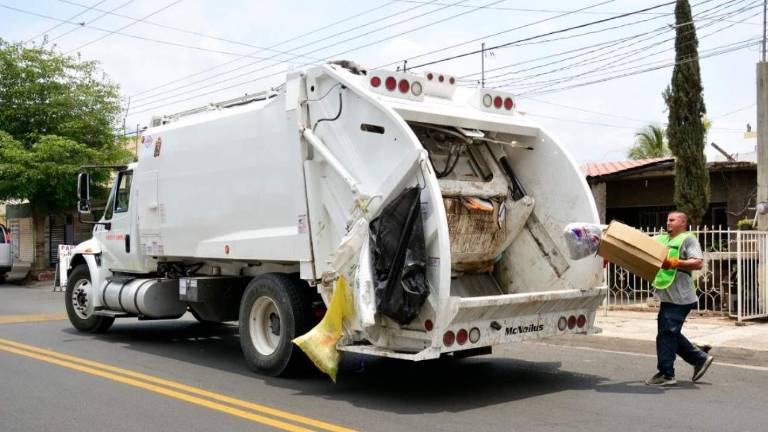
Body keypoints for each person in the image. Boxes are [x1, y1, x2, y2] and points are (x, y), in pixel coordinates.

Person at [645, 211, 714, 386]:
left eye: (672, 220)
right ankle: (699, 358)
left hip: (681, 298)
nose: (668, 222)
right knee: (669, 333)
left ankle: (667, 374)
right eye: (667, 220)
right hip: (668, 296)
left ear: (683, 223)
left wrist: (674, 262)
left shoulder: (688, 239)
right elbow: (641, 245)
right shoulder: (662, 239)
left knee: (666, 334)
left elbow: (698, 262)